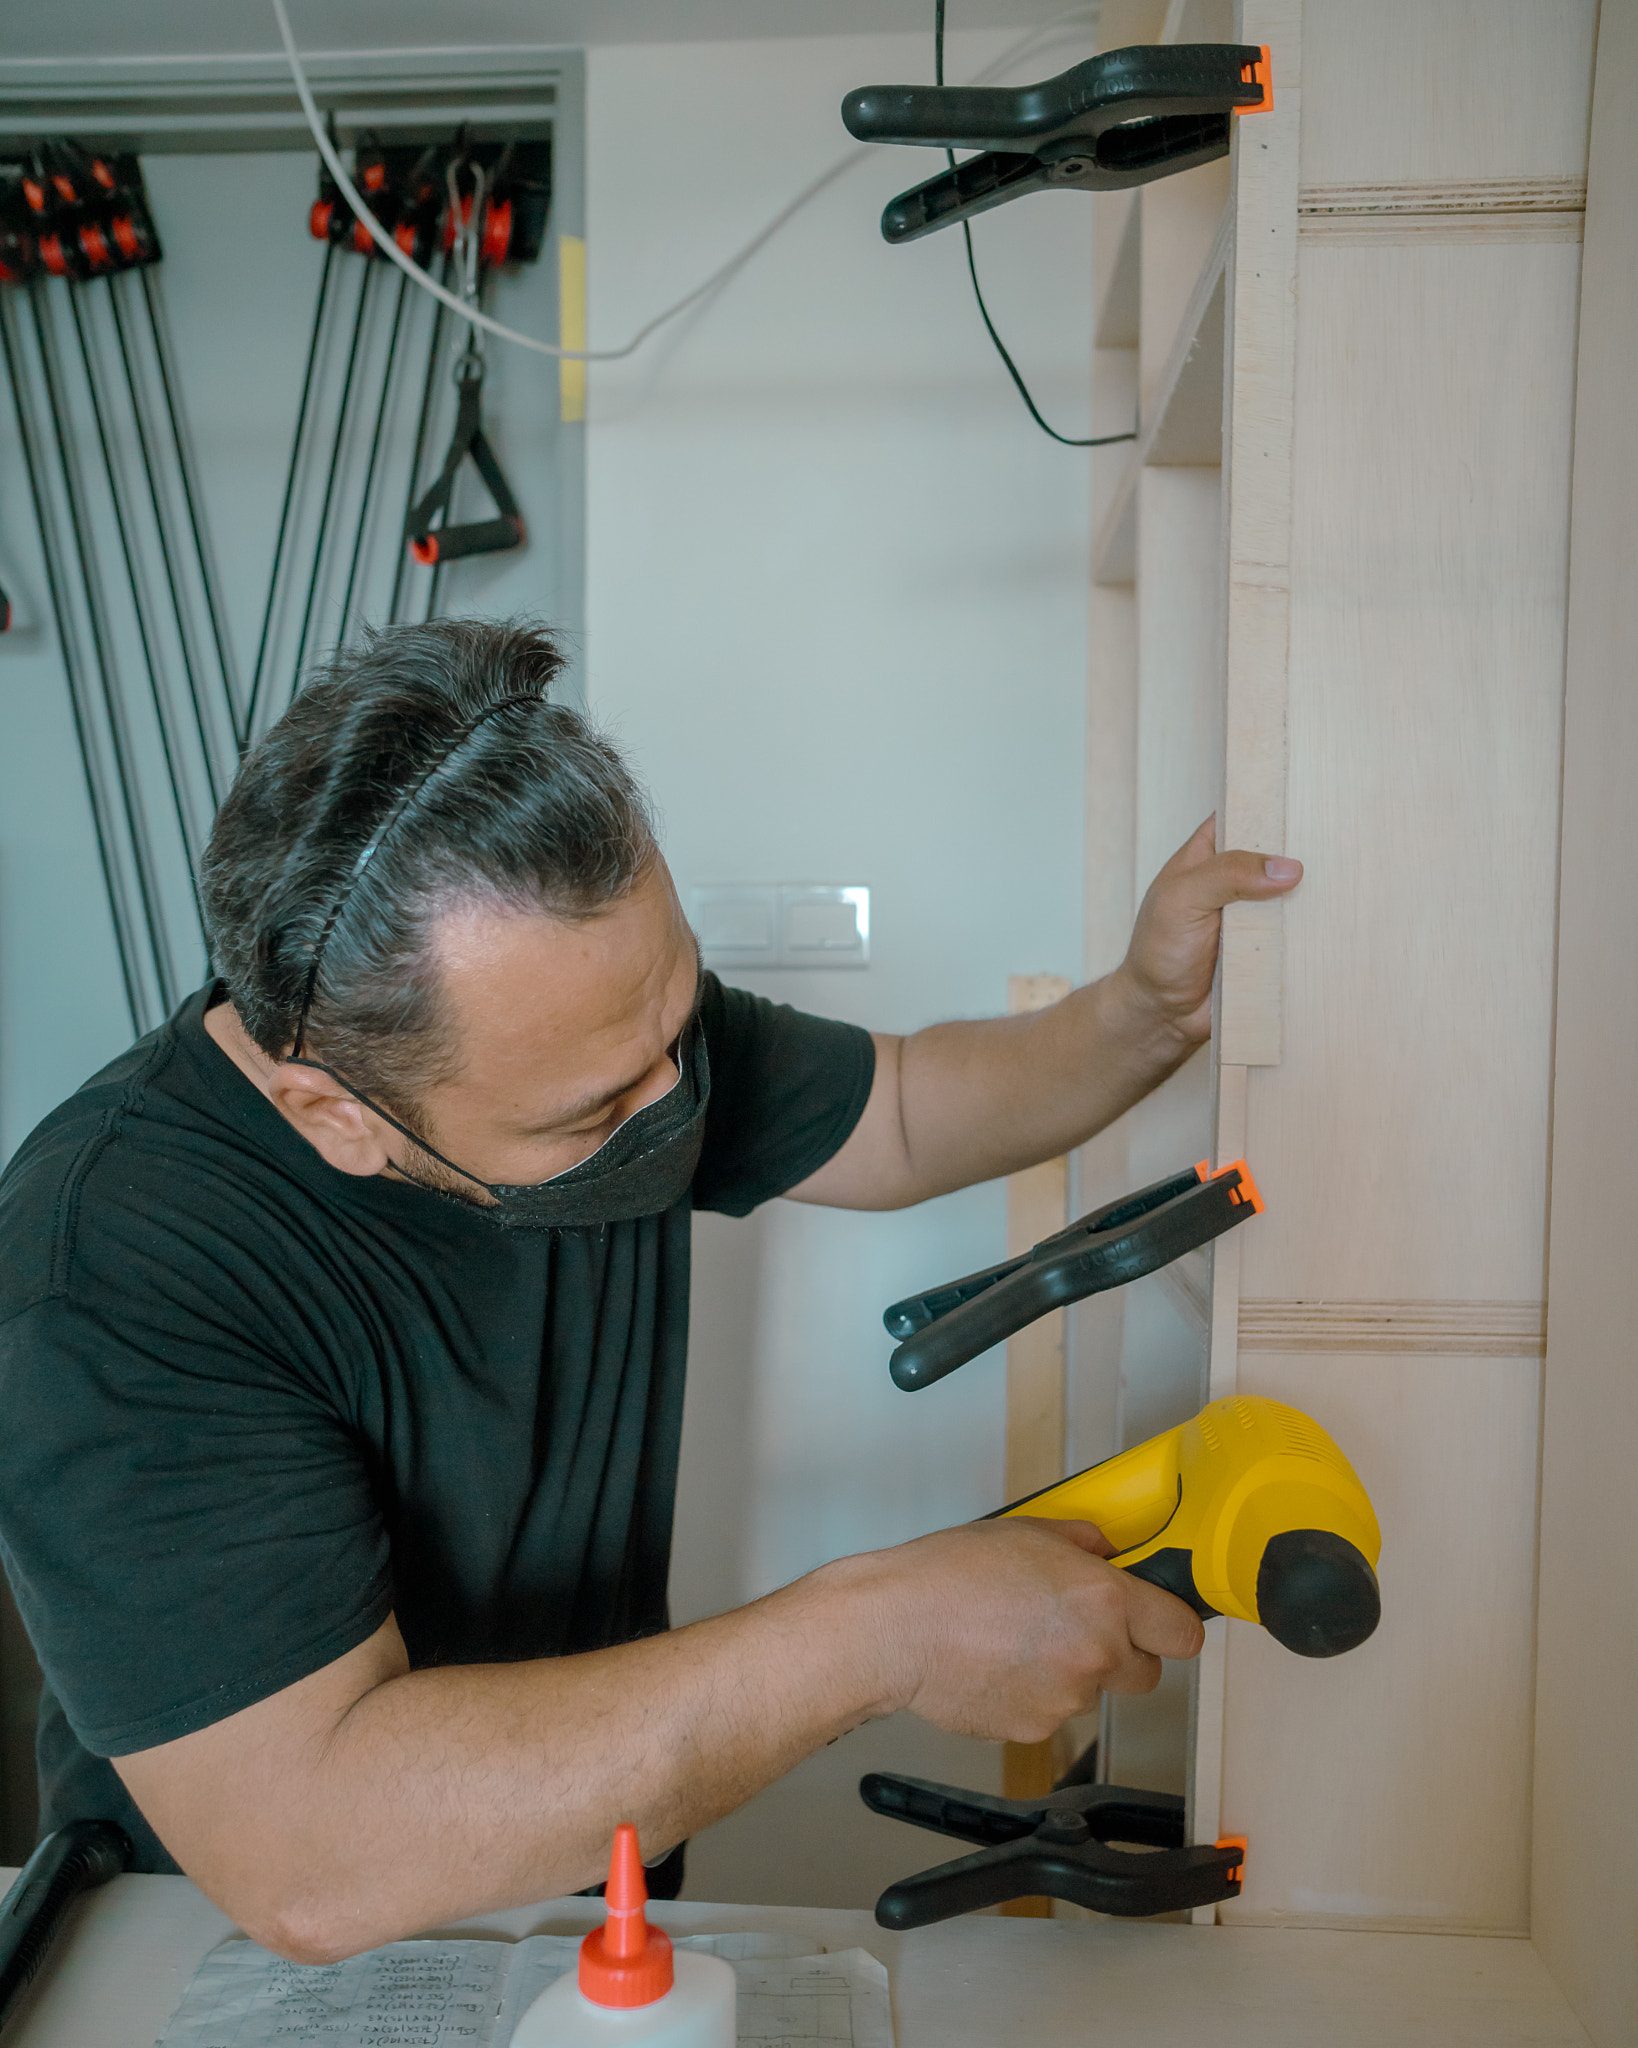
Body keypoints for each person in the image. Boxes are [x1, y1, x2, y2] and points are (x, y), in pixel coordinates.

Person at [0, 620, 1301, 1963]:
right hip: (222, 1957)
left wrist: (1147, 1006)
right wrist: (880, 1635)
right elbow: (310, 1856)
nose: (673, 1102)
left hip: (583, 1899)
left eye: (676, 1028)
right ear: (335, 1115)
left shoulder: (607, 1029)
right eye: (598, 1106)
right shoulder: (108, 1273)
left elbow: (907, 1111)